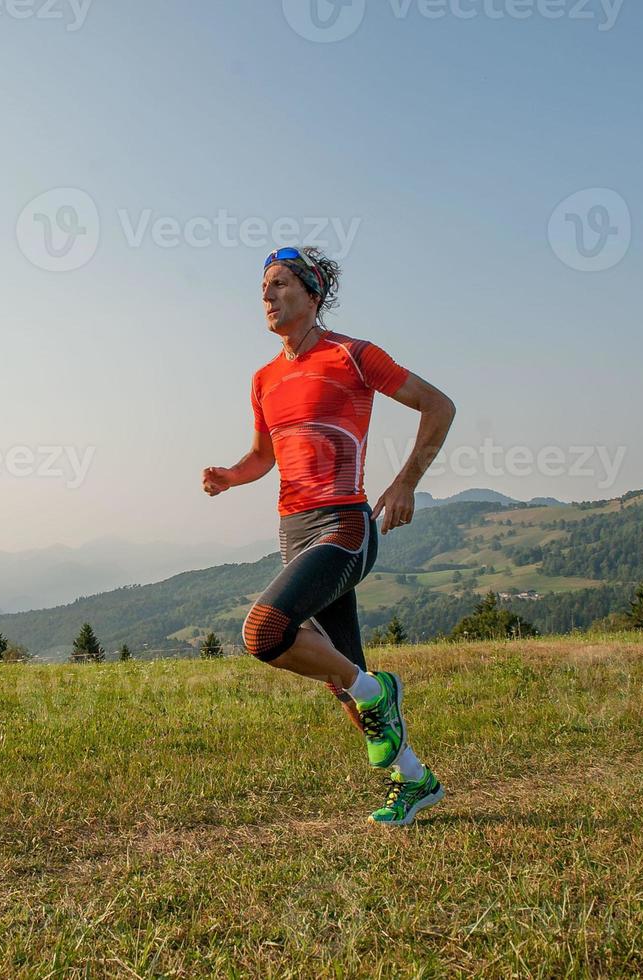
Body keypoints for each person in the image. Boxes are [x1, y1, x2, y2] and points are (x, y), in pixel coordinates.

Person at [202, 246, 456, 826]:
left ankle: (376, 691)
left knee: (265, 633)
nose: (266, 296)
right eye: (263, 288)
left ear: (312, 293)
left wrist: (405, 483)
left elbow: (439, 406)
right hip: (293, 531)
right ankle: (414, 780)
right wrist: (230, 476)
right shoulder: (264, 378)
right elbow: (263, 455)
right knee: (345, 679)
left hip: (343, 525)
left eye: (279, 284)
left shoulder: (354, 355)